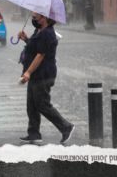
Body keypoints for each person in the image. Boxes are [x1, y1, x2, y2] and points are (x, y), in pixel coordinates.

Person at [17, 12, 75, 144]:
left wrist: (28, 72)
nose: (33, 18)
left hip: (43, 74)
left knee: (42, 104)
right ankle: (33, 133)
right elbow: (33, 47)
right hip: (37, 74)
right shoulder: (39, 31)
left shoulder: (47, 33)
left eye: (36, 16)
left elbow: (40, 55)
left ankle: (66, 127)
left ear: (45, 18)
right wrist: (26, 39)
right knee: (31, 105)